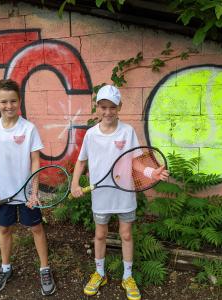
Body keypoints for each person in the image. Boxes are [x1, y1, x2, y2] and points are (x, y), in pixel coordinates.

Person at [70, 85, 169, 300]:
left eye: (112, 107)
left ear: (119, 107)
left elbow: (136, 162)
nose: (107, 112)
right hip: (101, 196)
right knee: (100, 234)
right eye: (103, 107)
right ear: (97, 107)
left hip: (124, 194)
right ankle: (100, 273)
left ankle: (127, 276)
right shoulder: (90, 134)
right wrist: (74, 184)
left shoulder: (127, 131)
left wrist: (153, 173)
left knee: (126, 234)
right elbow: (81, 161)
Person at [0, 79, 55, 296]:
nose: (8, 105)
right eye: (4, 101)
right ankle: (5, 267)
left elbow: (35, 161)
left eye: (13, 101)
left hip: (27, 195)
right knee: (5, 229)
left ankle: (44, 268)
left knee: (36, 229)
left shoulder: (29, 128)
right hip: (2, 194)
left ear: (19, 101)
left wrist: (33, 191)